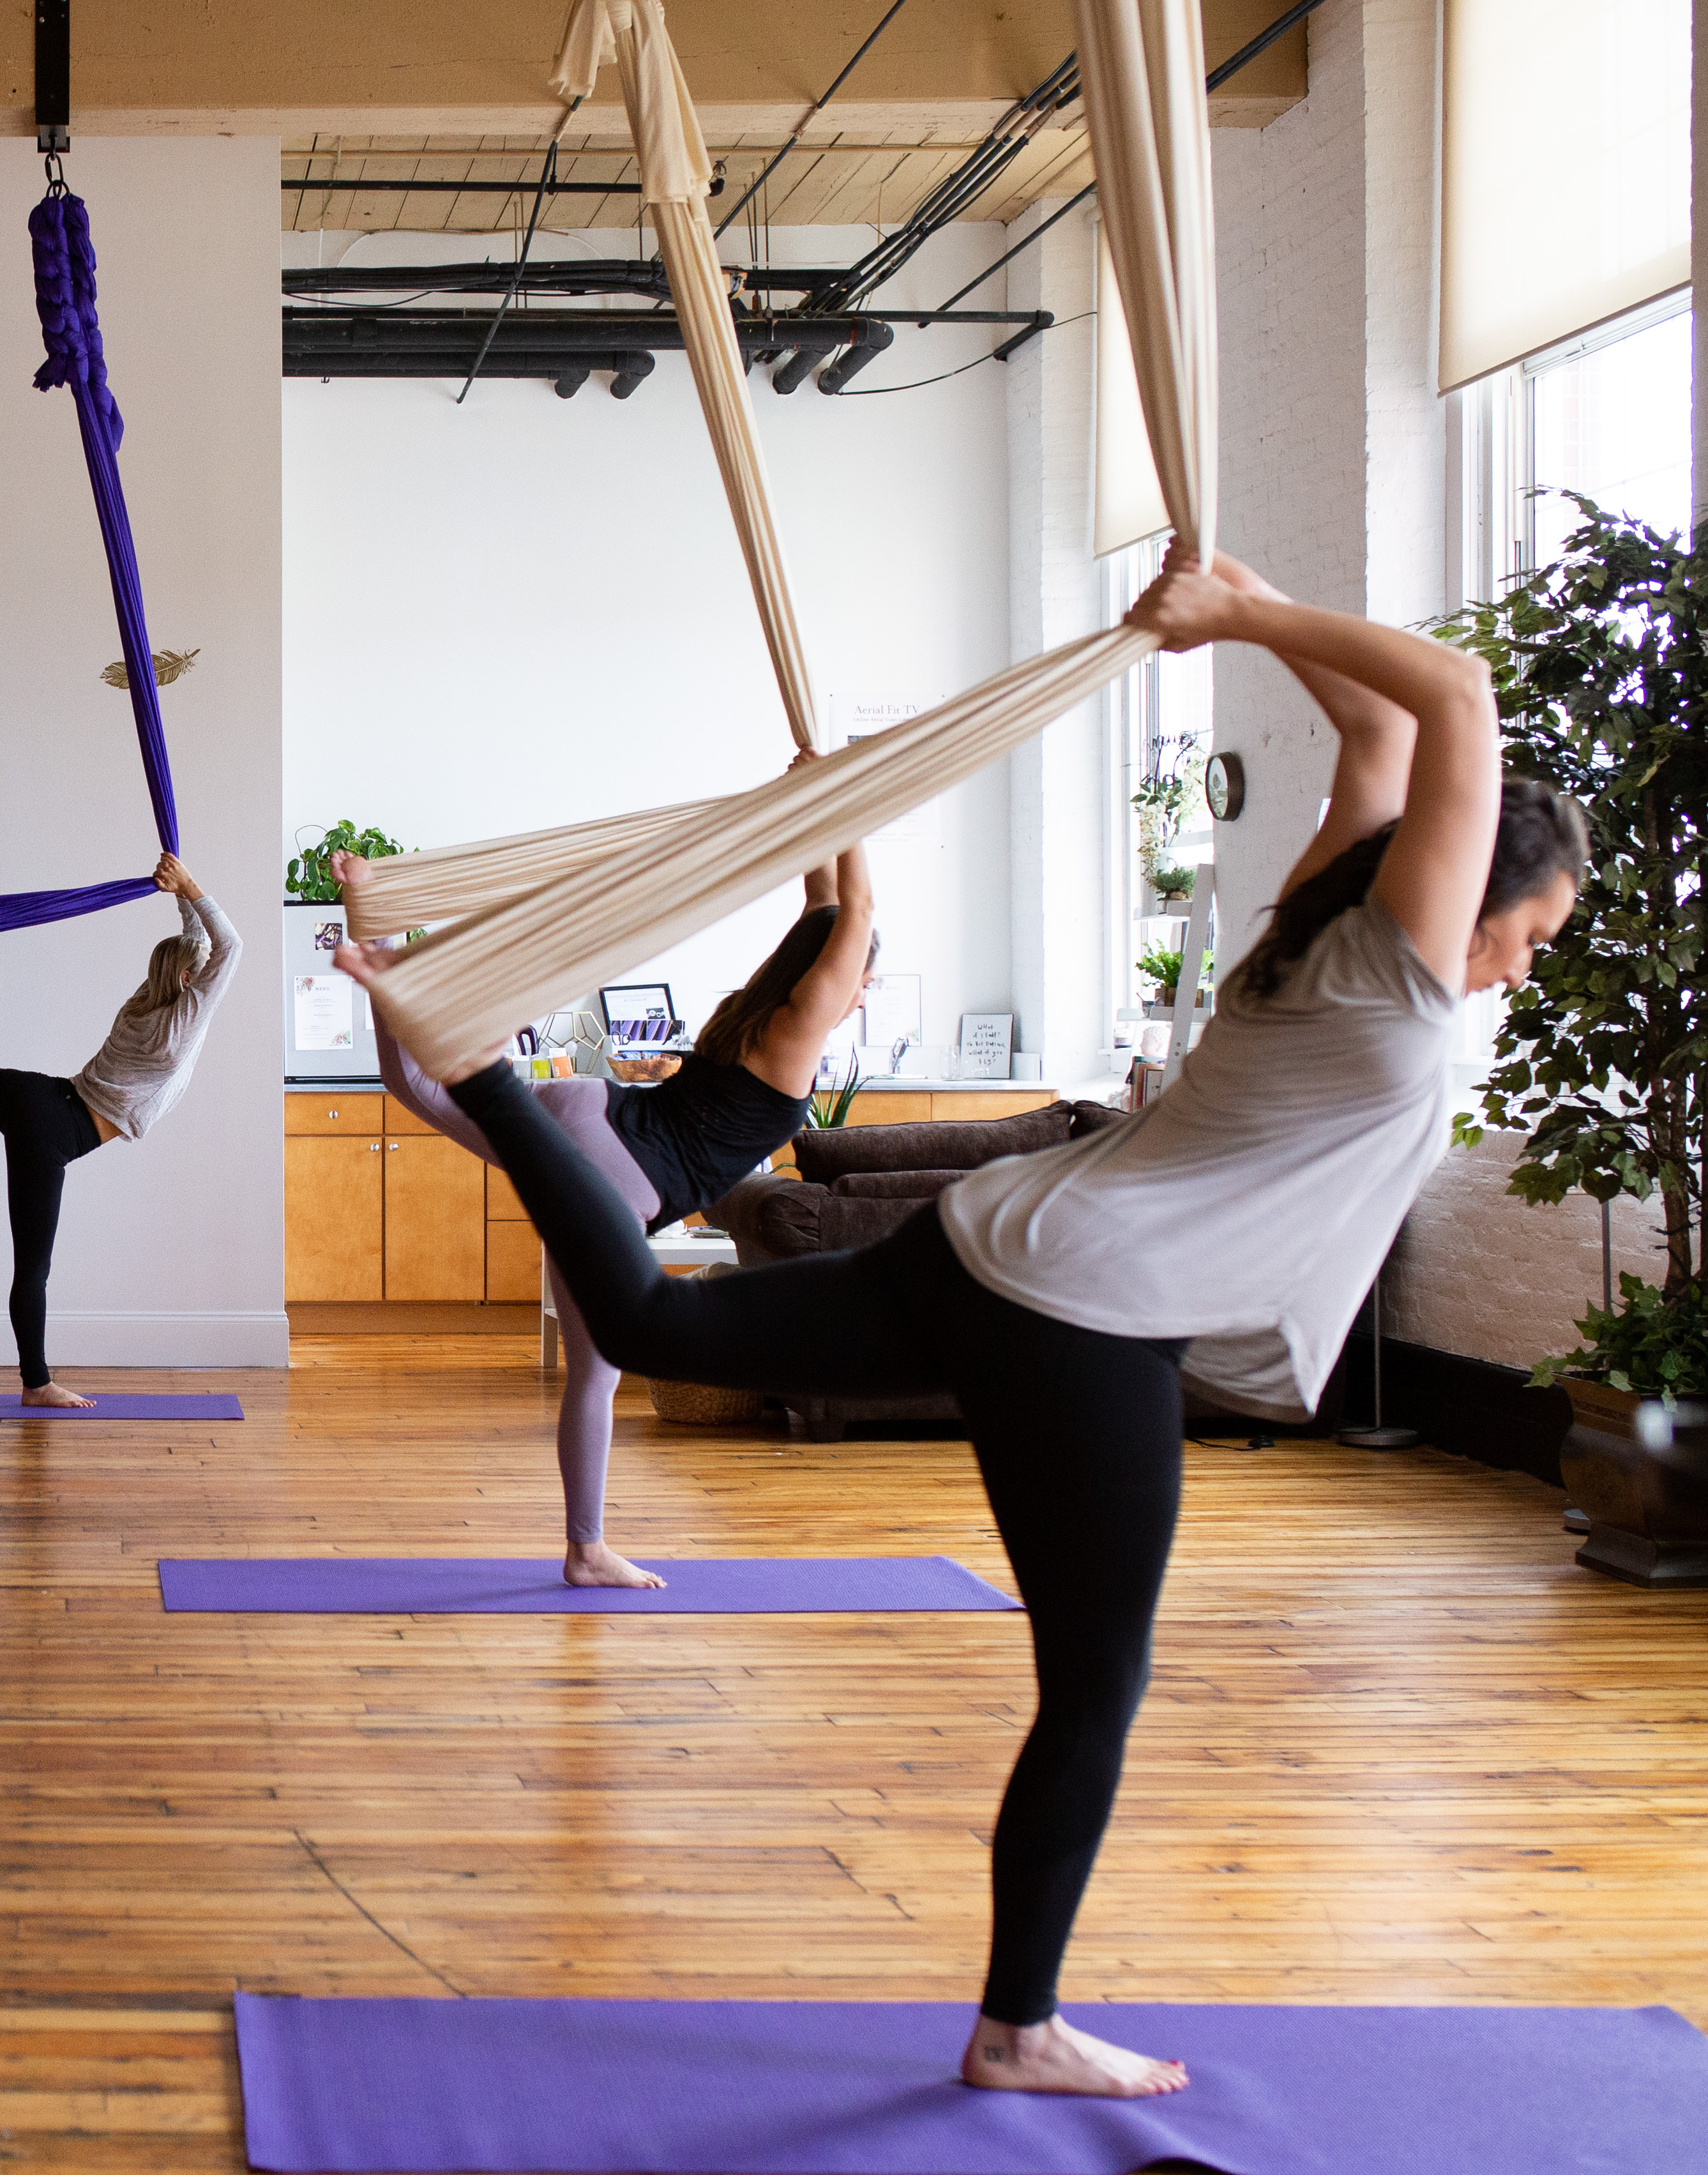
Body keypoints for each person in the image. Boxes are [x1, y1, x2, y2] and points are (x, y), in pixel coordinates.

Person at [339, 547, 1584, 2099]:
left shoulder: (1302, 945)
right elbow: (1444, 698)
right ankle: (1017, 2024)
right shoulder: (1395, 971)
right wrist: (1239, 619)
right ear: (1460, 895)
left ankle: (478, 1072)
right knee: (1093, 1684)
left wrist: (1242, 602)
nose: (1509, 964)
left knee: (651, 1321)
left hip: (985, 1249)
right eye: (1519, 933)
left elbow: (1382, 741)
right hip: (1082, 1315)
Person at [352, 791, 872, 1586]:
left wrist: (820, 800)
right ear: (841, 978)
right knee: (598, 1369)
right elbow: (853, 907)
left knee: (422, 1087)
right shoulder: (801, 1028)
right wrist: (855, 794)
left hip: (588, 1107)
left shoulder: (765, 1009)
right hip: (615, 1175)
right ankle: (586, 1548)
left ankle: (379, 938)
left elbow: (827, 905)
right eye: (862, 978)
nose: (862, 993)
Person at [0, 854, 239, 1406]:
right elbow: (228, 948)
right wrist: (190, 886)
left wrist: (181, 892)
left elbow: (196, 942)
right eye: (199, 974)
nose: (210, 980)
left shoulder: (142, 1003)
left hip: (37, 1096)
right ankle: (37, 1385)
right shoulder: (179, 1023)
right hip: (50, 1130)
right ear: (187, 979)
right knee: (32, 1268)